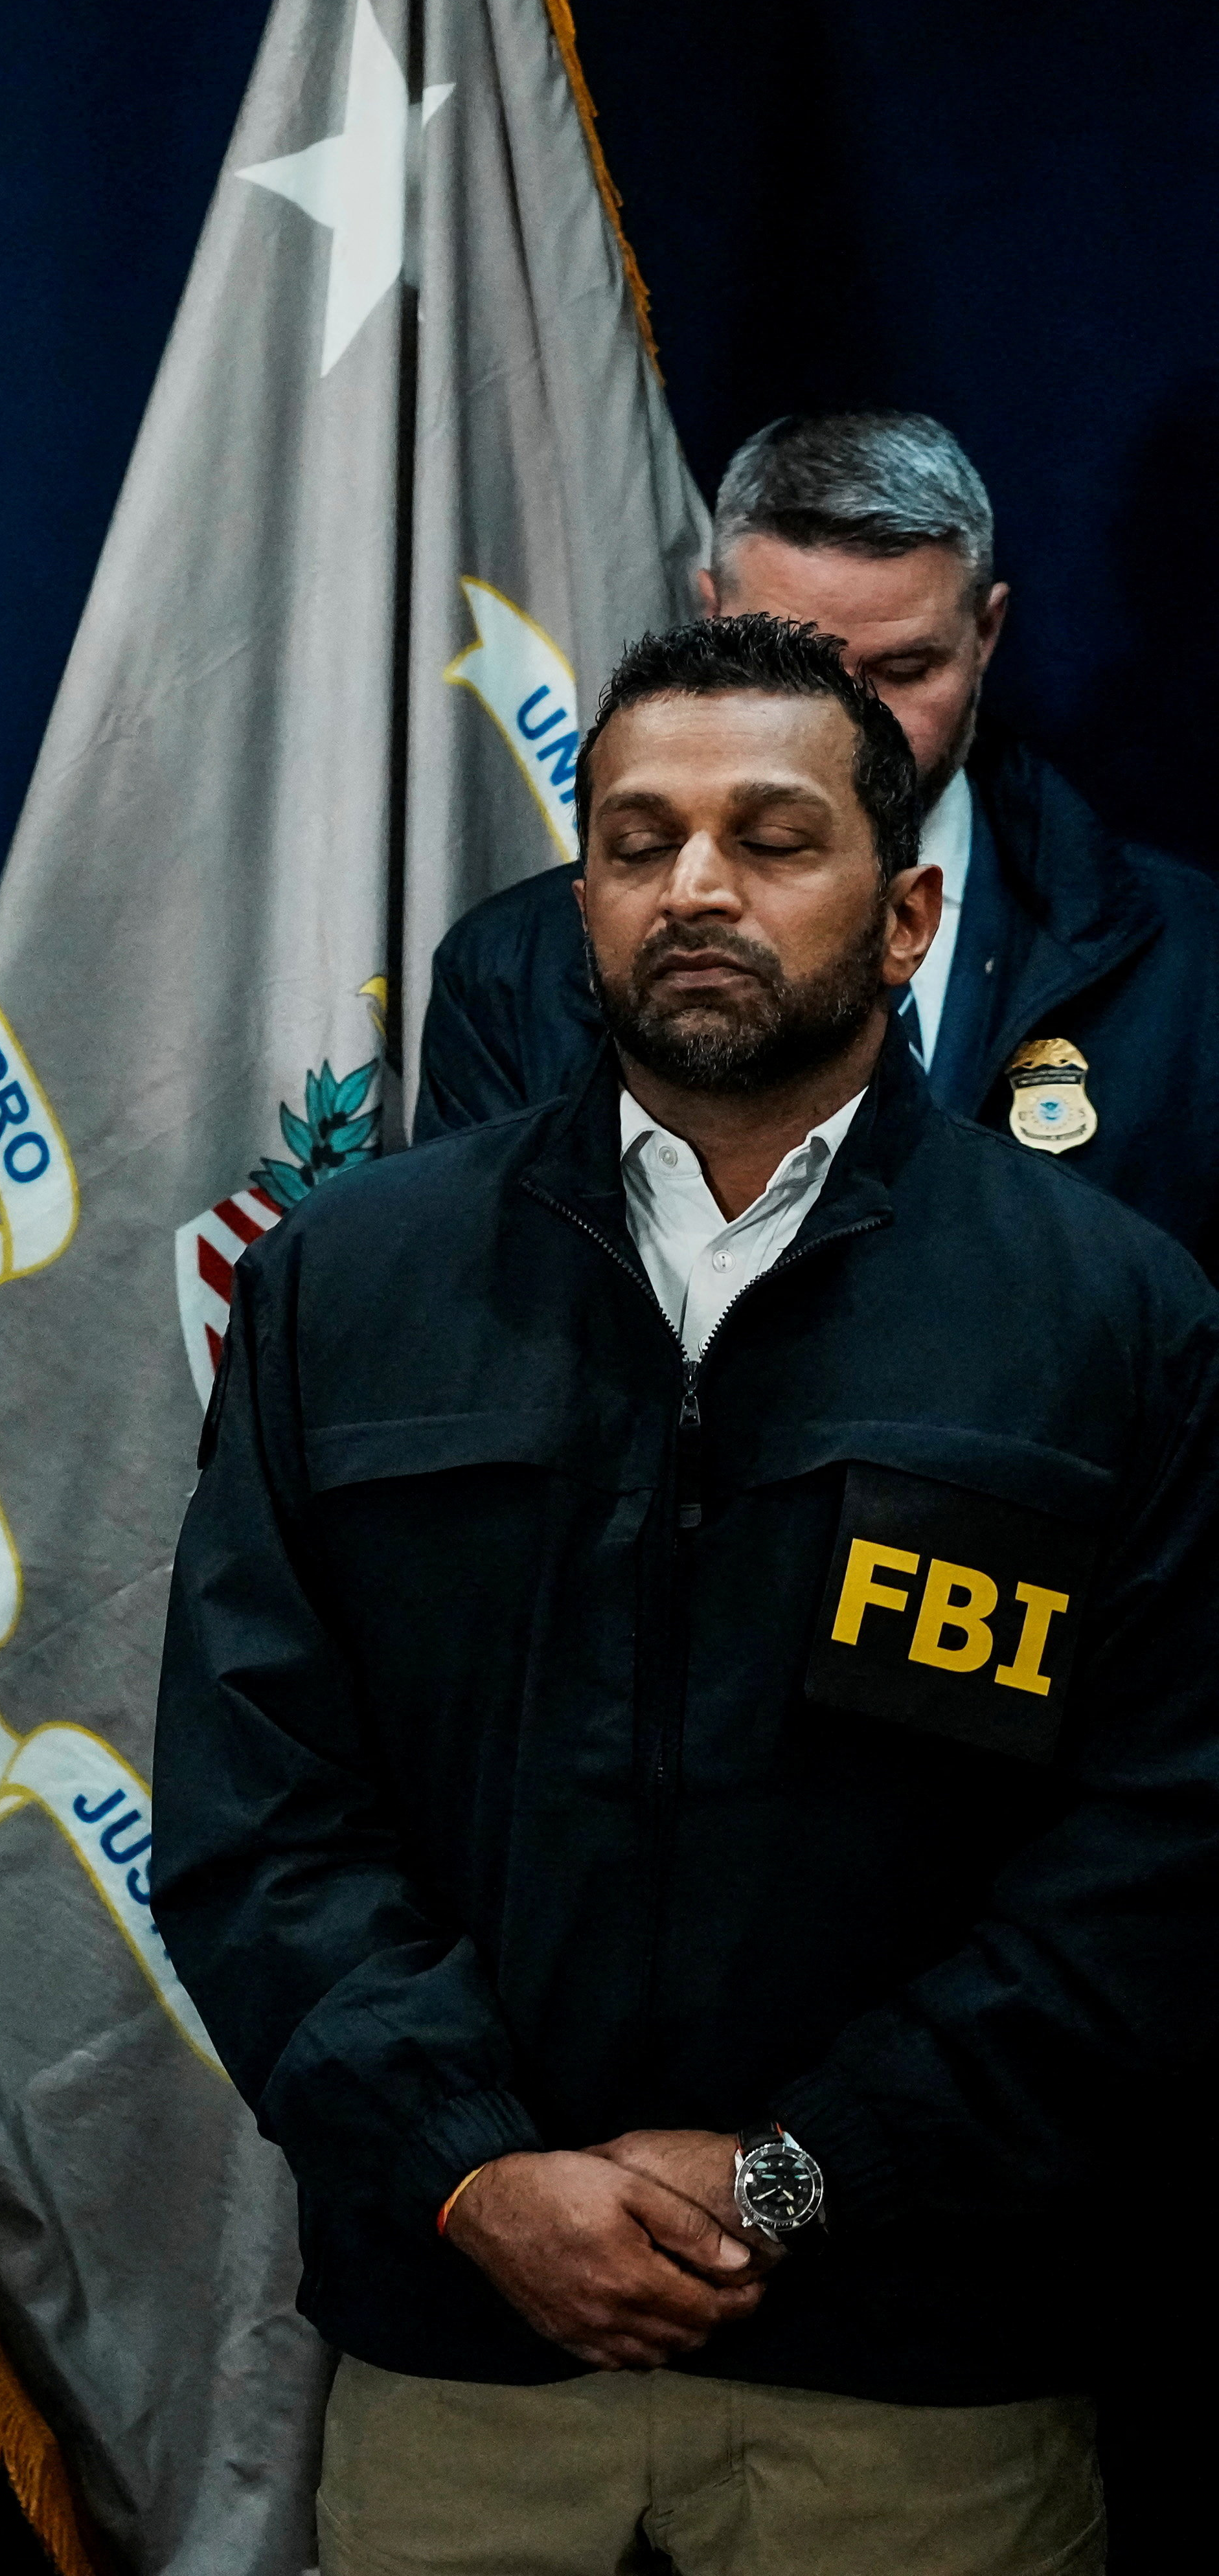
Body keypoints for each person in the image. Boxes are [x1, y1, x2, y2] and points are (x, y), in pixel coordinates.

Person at [155, 613, 1219, 2574]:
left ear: (905, 918)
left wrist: (808, 2175)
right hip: (473, 2371)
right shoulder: (355, 1287)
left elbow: (1154, 1863)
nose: (696, 886)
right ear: (583, 905)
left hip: (920, 2392)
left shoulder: (1111, 1319)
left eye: (770, 836)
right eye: (638, 843)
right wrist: (471, 2174)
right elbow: (257, 1809)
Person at [416, 411, 1219, 1271]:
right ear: (714, 621)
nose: (855, 730)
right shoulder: (514, 971)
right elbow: (479, 1348)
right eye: (796, 668)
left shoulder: (1192, 959)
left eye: (905, 672)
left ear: (985, 635)